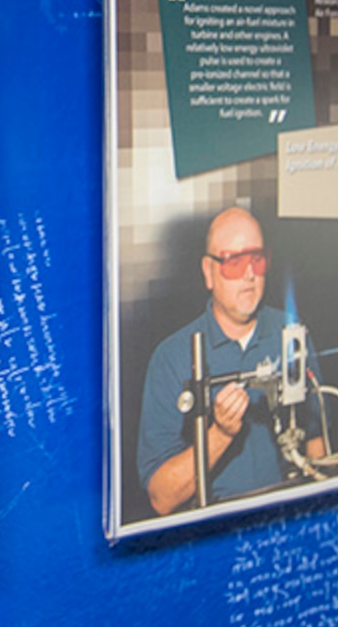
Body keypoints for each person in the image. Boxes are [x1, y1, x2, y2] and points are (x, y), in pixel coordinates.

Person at [136, 207, 326, 516]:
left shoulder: (291, 335)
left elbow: (316, 442)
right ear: (208, 272)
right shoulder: (171, 358)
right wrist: (220, 434)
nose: (250, 274)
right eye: (234, 263)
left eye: (257, 259)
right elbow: (162, 497)